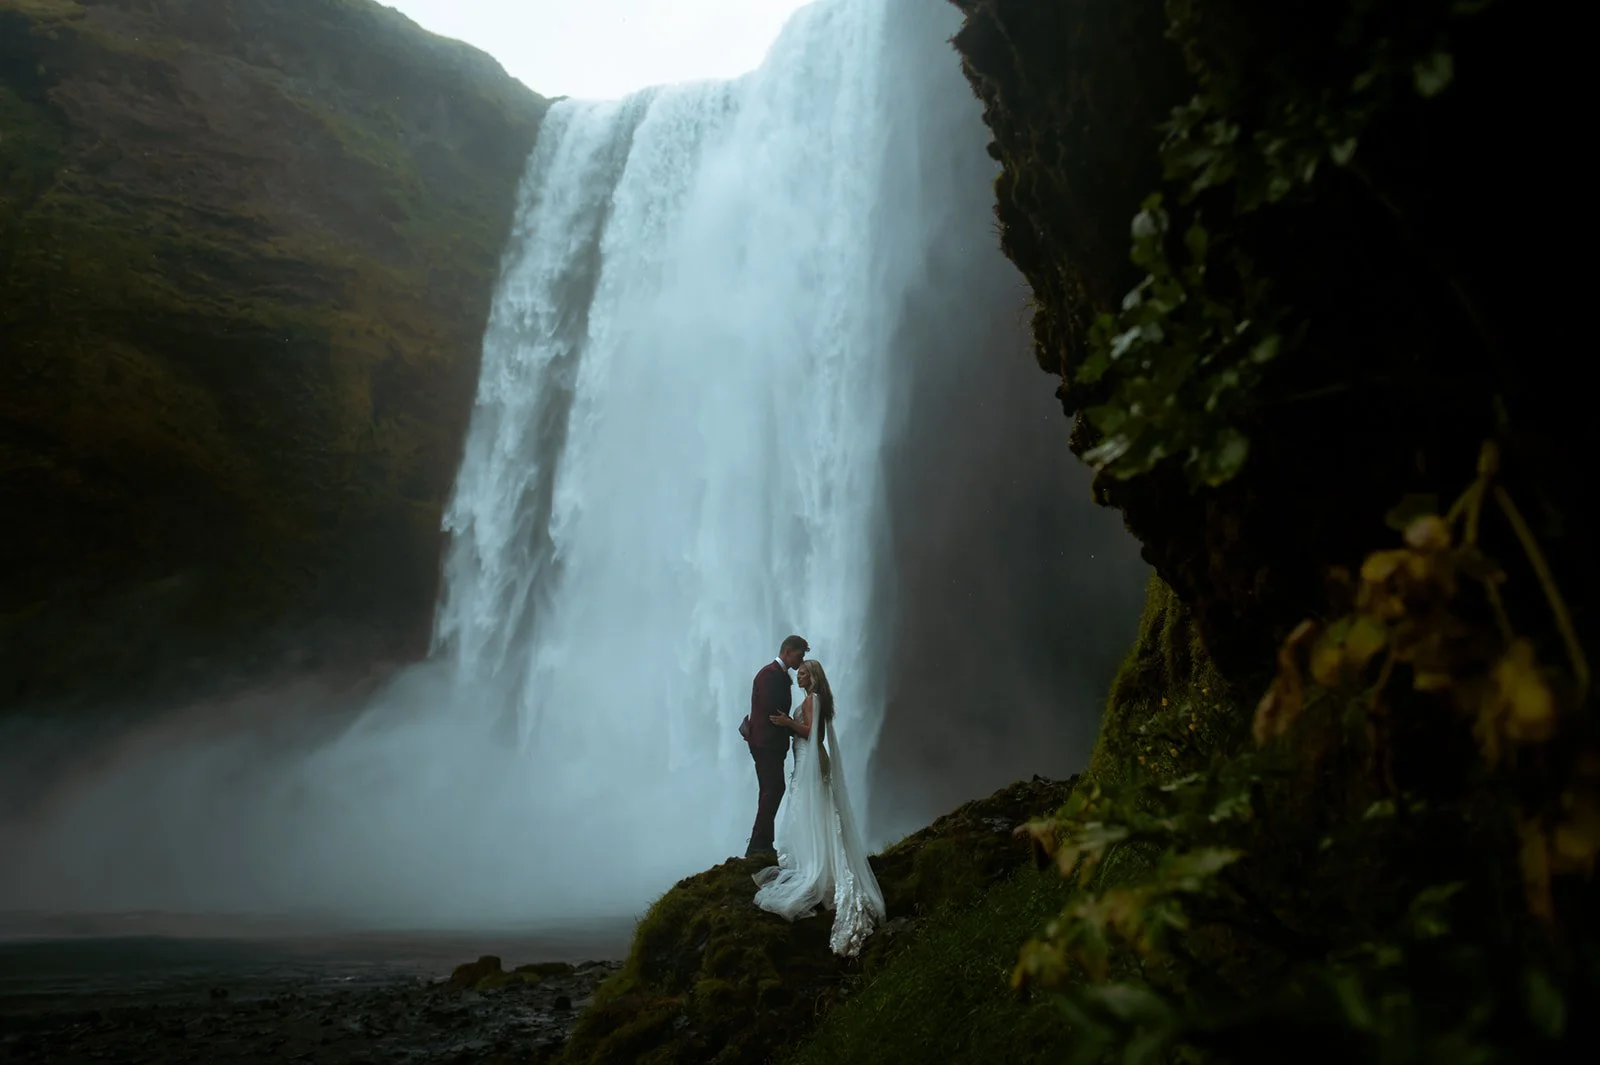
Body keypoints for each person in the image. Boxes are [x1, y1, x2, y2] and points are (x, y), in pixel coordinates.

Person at [751, 658, 886, 957]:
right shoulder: (813, 698)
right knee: (812, 811)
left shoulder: (813, 698)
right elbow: (809, 731)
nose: (797, 676)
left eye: (802, 672)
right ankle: (813, 857)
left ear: (813, 677)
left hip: (811, 762)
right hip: (806, 760)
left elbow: (814, 733)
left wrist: (788, 723)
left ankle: (817, 866)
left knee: (810, 809)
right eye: (797, 672)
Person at [743, 635, 808, 859]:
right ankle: (758, 845)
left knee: (770, 790)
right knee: (773, 789)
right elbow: (774, 712)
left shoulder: (776, 674)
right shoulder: (769, 675)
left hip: (769, 743)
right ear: (788, 651)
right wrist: (799, 729)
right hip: (766, 743)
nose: (802, 659)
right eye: (801, 654)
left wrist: (793, 727)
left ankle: (762, 844)